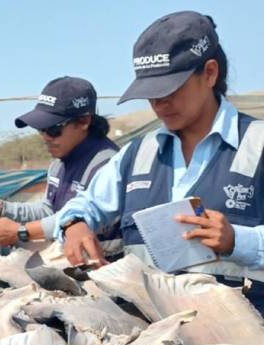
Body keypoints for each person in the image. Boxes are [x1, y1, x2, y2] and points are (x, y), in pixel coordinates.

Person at [57, 11, 264, 311]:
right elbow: (84, 205)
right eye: (150, 94)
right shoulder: (137, 153)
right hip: (149, 337)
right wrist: (74, 224)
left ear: (209, 73)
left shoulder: (258, 144)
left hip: (238, 341)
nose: (159, 104)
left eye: (169, 90)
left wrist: (237, 241)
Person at [0, 77, 119, 247]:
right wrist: (0, 208)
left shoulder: (108, 165)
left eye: (53, 129)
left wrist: (21, 232)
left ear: (84, 121)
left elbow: (84, 220)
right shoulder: (59, 163)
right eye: (41, 129)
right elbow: (50, 210)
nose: (45, 137)